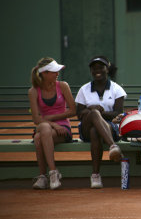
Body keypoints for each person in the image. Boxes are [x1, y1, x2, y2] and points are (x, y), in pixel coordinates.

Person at [75, 56, 126, 189]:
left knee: (95, 130)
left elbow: (118, 113)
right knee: (93, 114)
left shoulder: (116, 89)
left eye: (101, 67)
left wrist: (101, 112)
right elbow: (79, 114)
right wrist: (94, 111)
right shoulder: (84, 89)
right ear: (91, 71)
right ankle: (113, 147)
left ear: (107, 69)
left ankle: (95, 175)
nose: (97, 70)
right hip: (85, 128)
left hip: (110, 128)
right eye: (94, 68)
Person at [28, 58, 76, 190]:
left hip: (63, 129)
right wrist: (54, 124)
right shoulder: (33, 91)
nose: (57, 74)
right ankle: (53, 173)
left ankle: (43, 176)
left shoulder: (63, 85)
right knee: (43, 128)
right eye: (54, 71)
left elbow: (73, 110)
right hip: (47, 127)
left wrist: (54, 118)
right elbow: (36, 119)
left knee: (39, 137)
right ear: (44, 73)